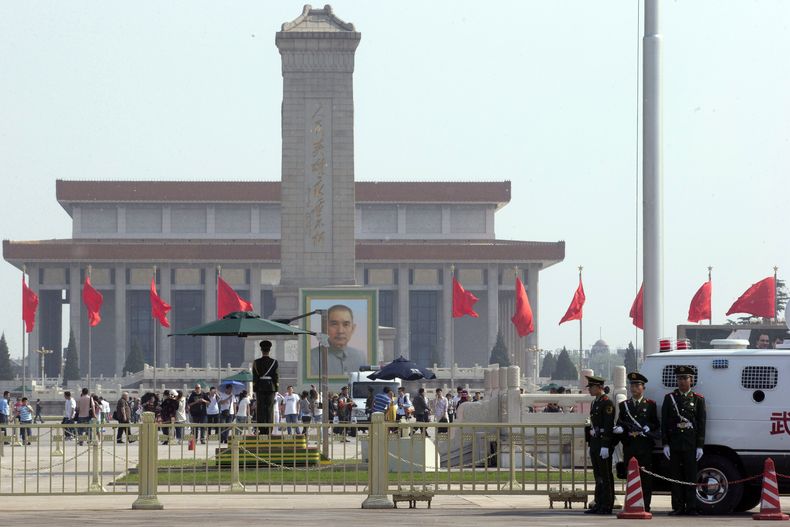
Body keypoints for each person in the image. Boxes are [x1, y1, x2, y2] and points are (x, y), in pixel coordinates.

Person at [662, 365, 706, 516]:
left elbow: (702, 423)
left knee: (691, 476)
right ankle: (678, 507)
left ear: (691, 380)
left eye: (685, 378)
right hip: (674, 444)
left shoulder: (698, 399)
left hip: (690, 444)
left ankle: (692, 507)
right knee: (675, 477)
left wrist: (700, 445)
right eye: (679, 378)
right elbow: (665, 423)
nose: (682, 381)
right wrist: (665, 443)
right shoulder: (670, 399)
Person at [614, 372, 660, 512]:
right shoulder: (624, 406)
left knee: (646, 478)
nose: (633, 388)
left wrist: (649, 427)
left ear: (643, 388)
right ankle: (633, 504)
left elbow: (655, 423)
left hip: (644, 446)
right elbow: (620, 422)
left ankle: (645, 505)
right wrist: (620, 429)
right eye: (632, 385)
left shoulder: (650, 405)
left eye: (637, 385)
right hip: (630, 446)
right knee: (631, 476)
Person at [584, 375, 615, 515]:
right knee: (598, 475)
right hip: (596, 441)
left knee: (605, 475)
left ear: (599, 387)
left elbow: (608, 425)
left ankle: (607, 504)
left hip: (603, 442)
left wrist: (605, 445)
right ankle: (599, 502)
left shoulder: (607, 402)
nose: (589, 389)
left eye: (591, 387)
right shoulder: (595, 402)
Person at [309, 305, 367, 376]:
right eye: (334, 324)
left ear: (353, 328)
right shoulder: (311, 357)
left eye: (346, 324)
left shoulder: (360, 357)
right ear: (325, 327)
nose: (340, 331)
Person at [251, 340, 279, 435]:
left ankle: (262, 430)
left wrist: (255, 388)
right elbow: (276, 376)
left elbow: (255, 377)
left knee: (261, 409)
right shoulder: (274, 362)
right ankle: (269, 430)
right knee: (269, 409)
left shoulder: (256, 362)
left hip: (260, 387)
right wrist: (276, 388)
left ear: (261, 350)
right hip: (271, 387)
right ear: (269, 350)